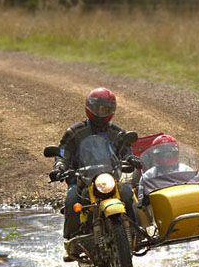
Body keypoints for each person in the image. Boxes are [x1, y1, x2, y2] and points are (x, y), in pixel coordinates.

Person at [50, 87, 141, 246]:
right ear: (89, 107)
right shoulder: (75, 131)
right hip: (81, 181)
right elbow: (64, 152)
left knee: (127, 194)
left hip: (110, 178)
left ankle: (136, 234)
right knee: (72, 200)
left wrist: (131, 159)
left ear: (112, 110)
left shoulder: (117, 132)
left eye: (105, 108)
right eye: (97, 107)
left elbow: (126, 150)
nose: (101, 111)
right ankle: (73, 242)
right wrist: (59, 167)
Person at [137, 134, 199, 207]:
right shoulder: (147, 176)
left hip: (188, 207)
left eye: (169, 153)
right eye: (162, 153)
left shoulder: (186, 169)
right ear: (155, 155)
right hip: (162, 213)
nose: (166, 157)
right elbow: (142, 204)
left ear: (176, 153)